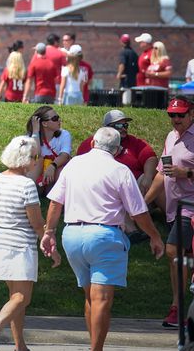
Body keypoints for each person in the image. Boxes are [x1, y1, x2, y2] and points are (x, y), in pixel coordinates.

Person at [40, 127, 164, 351]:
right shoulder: (120, 169)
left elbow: (55, 202)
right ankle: (95, 349)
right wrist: (154, 236)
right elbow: (138, 211)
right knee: (102, 300)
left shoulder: (74, 164)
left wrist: (49, 232)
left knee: (90, 297)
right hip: (104, 236)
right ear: (117, 149)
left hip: (72, 235)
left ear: (93, 143)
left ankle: (93, 345)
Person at [0, 135, 60, 351]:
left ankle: (20, 345)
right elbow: (36, 222)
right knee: (22, 298)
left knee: (15, 299)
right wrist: (50, 245)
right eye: (35, 158)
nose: (37, 162)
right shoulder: (27, 185)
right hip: (20, 247)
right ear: (26, 159)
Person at [160, 97, 194, 329]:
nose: (176, 119)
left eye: (181, 115)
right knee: (179, 254)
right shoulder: (171, 137)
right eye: (172, 115)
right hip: (176, 208)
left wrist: (187, 173)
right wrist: (141, 203)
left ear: (192, 114)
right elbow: (161, 173)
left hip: (190, 207)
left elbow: (180, 172)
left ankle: (177, 308)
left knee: (173, 250)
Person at [73, 110, 158, 194]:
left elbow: (150, 157)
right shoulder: (91, 142)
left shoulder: (134, 142)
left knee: (158, 178)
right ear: (106, 128)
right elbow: (80, 167)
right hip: (99, 185)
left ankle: (167, 207)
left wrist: (148, 177)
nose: (123, 128)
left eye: (125, 125)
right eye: (118, 125)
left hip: (132, 185)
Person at [27, 105, 72, 197]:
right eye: (55, 118)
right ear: (44, 124)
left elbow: (65, 155)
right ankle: (28, 192)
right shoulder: (31, 137)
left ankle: (59, 198)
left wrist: (52, 166)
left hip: (53, 176)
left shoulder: (64, 134)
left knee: (61, 168)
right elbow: (36, 154)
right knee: (38, 160)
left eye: (58, 117)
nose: (59, 120)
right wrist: (35, 132)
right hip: (38, 176)